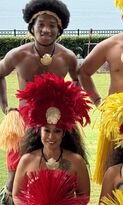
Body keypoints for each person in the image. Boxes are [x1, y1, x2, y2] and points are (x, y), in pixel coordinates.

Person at [0, 0, 78, 202]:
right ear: (31, 28)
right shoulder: (17, 55)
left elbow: (78, 79)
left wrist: (72, 106)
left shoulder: (67, 57)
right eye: (41, 24)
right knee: (16, 173)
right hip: (25, 122)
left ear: (59, 30)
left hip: (56, 122)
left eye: (52, 25)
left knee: (59, 166)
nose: (46, 30)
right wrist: (6, 106)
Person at [12, 73, 91, 205]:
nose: (51, 137)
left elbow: (84, 197)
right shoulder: (27, 160)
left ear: (64, 132)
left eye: (57, 131)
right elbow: (17, 194)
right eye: (46, 130)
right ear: (38, 131)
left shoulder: (76, 161)